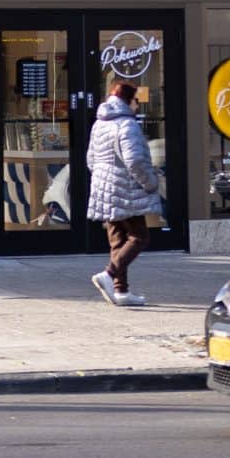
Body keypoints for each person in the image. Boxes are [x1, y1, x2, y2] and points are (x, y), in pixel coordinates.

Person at [85, 77, 164, 307]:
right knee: (140, 236)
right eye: (136, 100)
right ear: (127, 100)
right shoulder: (127, 125)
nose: (138, 105)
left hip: (105, 188)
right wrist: (150, 183)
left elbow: (91, 159)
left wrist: (103, 179)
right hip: (125, 188)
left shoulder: (100, 123)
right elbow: (135, 161)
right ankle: (109, 275)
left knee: (117, 239)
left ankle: (121, 290)